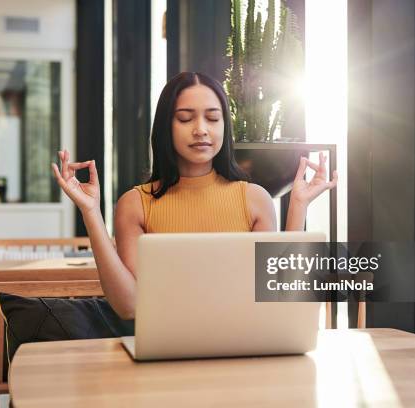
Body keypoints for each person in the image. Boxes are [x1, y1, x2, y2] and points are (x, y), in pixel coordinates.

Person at [52, 72, 337, 320]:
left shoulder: (254, 199)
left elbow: (280, 300)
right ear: (166, 127)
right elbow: (130, 307)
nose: (201, 129)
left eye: (213, 118)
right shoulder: (136, 204)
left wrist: (298, 205)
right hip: (165, 355)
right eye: (185, 118)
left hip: (243, 351)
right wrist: (91, 212)